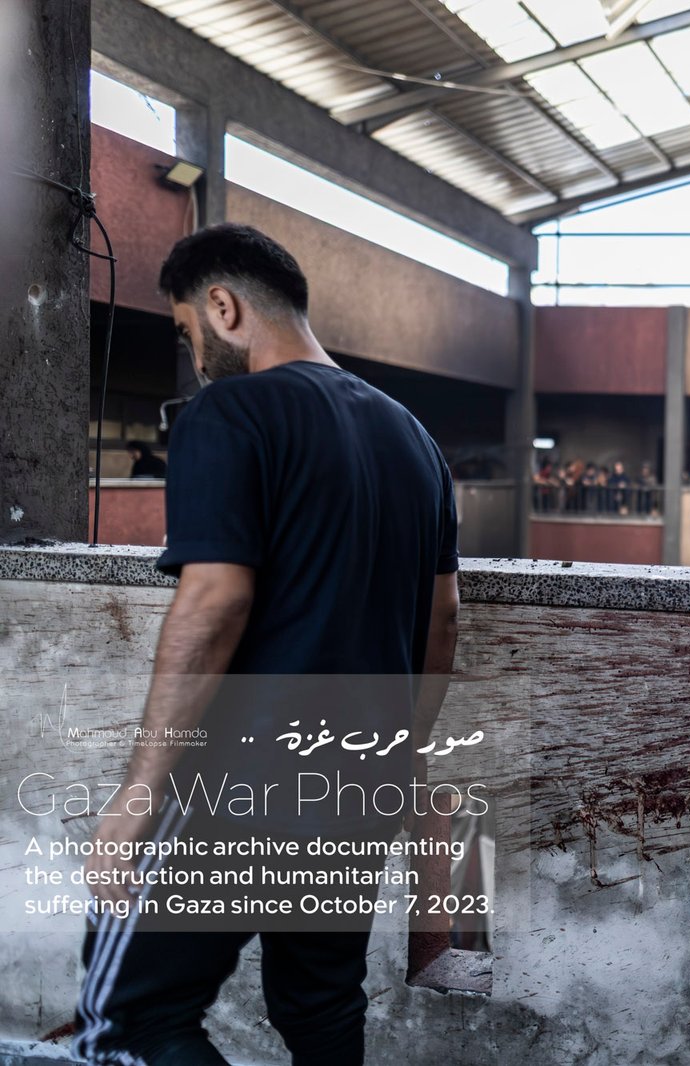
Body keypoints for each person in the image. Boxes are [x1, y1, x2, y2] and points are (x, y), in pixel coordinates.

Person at [74, 223, 460, 1066]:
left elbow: (214, 603)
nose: (194, 356)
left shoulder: (229, 412)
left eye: (187, 330)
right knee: (320, 1009)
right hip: (357, 783)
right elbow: (443, 622)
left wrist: (138, 796)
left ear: (223, 306)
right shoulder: (414, 439)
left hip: (240, 782)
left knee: (129, 1025)